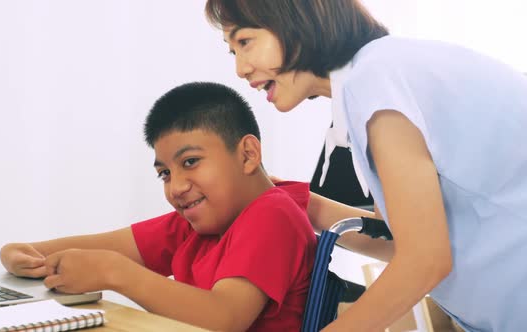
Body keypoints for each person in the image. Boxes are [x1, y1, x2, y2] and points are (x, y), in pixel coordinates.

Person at [205, 0, 527, 331]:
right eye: (233, 52)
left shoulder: (376, 80)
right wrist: (296, 203)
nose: (240, 69)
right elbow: (400, 241)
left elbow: (424, 260)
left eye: (245, 42)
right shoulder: (378, 77)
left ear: (294, 19)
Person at [0, 82, 317, 331]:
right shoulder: (197, 224)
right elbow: (60, 251)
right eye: (165, 173)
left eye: (190, 162)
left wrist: (115, 272)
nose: (176, 187)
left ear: (248, 154)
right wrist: (18, 253)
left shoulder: (272, 214)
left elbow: (224, 318)